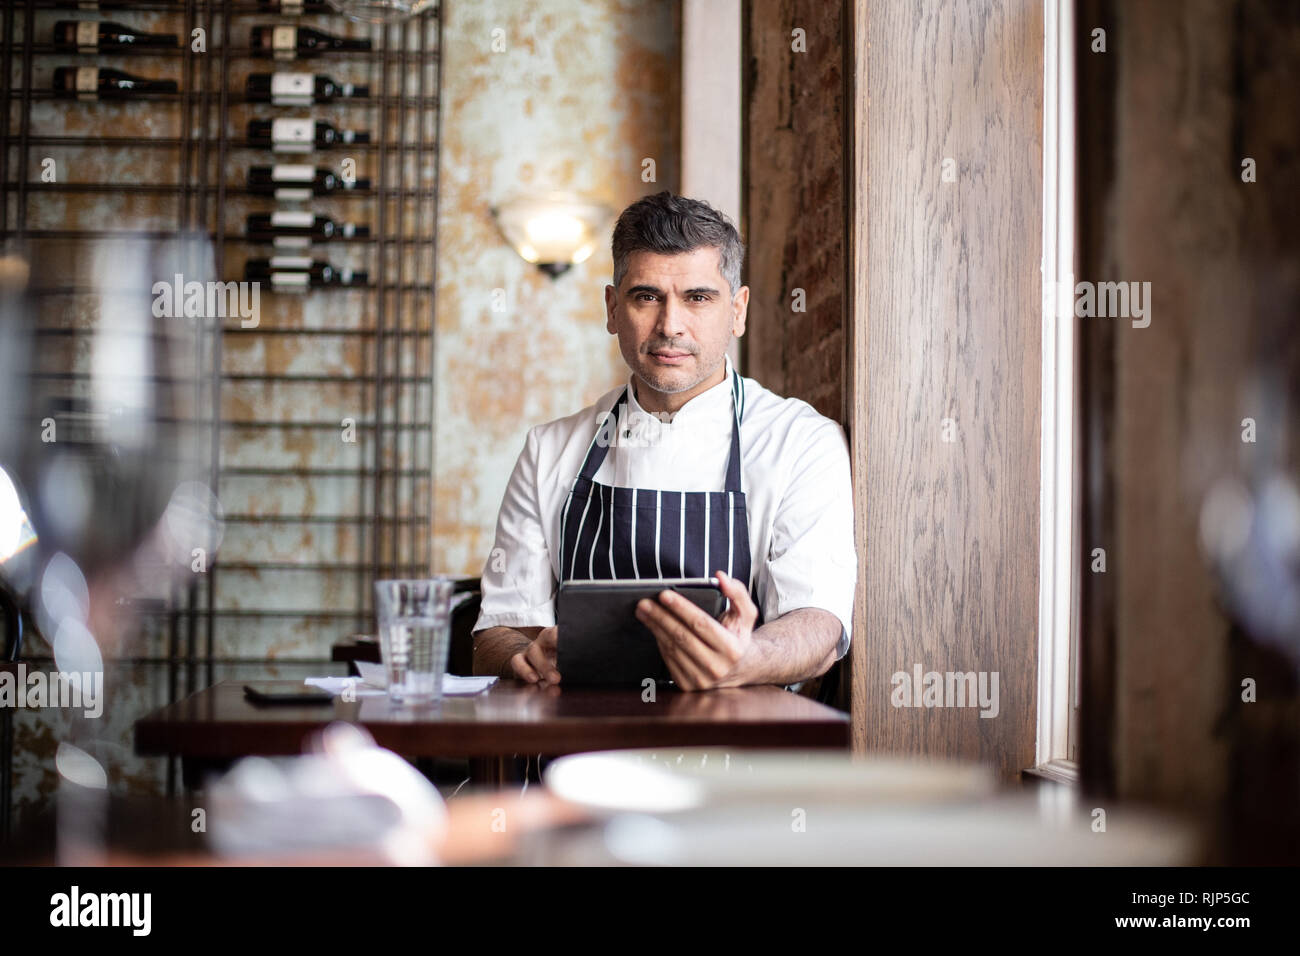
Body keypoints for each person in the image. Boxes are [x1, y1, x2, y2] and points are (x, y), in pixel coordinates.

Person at [471, 191, 856, 690]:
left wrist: (748, 656)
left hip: (738, 760)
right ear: (613, 309)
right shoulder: (550, 448)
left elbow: (820, 625)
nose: (670, 326)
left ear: (737, 311)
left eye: (698, 298)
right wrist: (524, 657)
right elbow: (496, 632)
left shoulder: (801, 442)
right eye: (646, 297)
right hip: (579, 756)